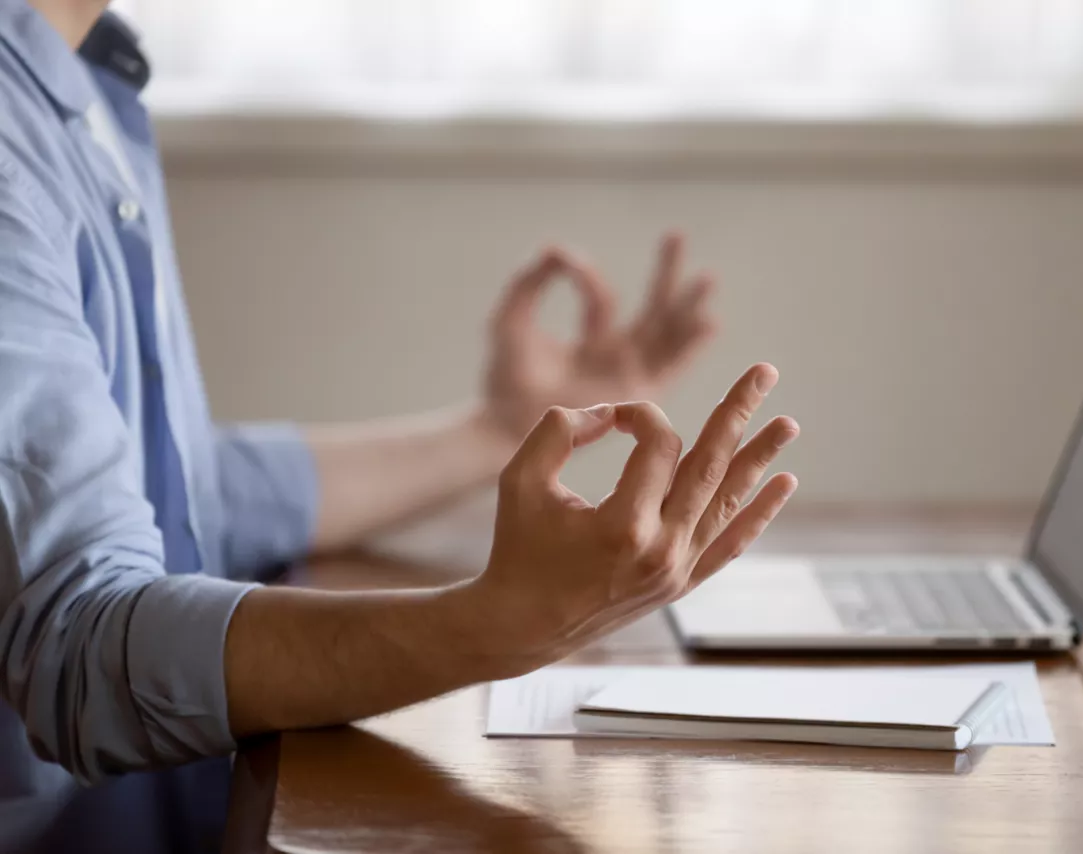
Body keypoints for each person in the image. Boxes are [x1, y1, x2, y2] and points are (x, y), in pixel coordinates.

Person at [0, 1, 800, 850]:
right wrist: (494, 624)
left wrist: (496, 432)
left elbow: (166, 489)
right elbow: (77, 649)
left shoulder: (83, 74)